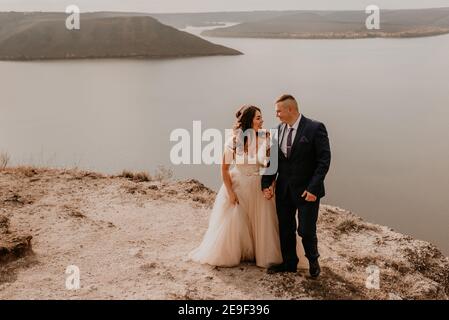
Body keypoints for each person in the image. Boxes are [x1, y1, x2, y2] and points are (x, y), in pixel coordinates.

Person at [188, 105, 283, 268]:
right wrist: (230, 193)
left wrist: (271, 185)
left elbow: (272, 166)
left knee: (263, 220)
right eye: (258, 117)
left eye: (261, 117)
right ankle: (239, 252)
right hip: (239, 184)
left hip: (259, 185)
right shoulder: (233, 141)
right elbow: (224, 169)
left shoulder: (266, 137)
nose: (262, 120)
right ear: (248, 120)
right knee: (236, 219)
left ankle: (261, 253)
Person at [262, 94, 331, 278]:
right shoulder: (277, 130)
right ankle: (289, 263)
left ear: (290, 109)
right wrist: (266, 184)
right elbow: (273, 161)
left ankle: (313, 260)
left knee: (306, 230)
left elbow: (324, 161)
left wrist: (313, 188)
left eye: (278, 111)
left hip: (307, 191)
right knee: (285, 227)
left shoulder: (315, 128)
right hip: (284, 190)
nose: (276, 114)